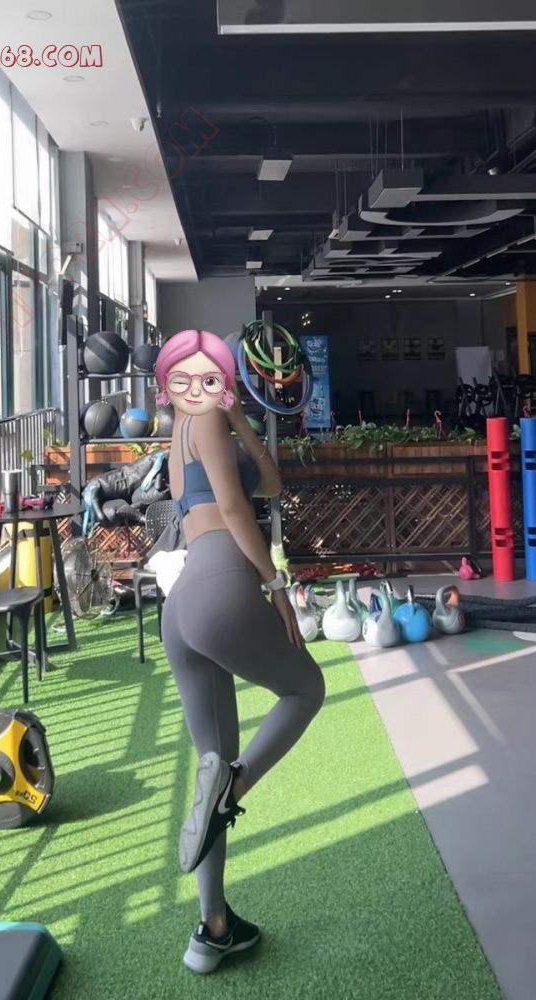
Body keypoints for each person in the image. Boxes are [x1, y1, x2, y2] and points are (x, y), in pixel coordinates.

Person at [156, 329, 326, 975]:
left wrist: (242, 425)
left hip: (183, 605)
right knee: (306, 689)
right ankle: (236, 784)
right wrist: (275, 584)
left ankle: (214, 928)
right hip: (222, 582)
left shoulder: (192, 426)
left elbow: (270, 484)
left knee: (211, 766)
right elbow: (234, 508)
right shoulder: (204, 420)